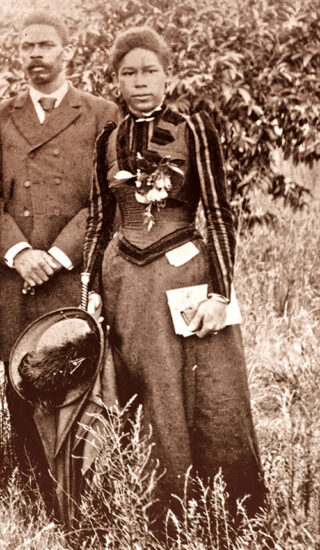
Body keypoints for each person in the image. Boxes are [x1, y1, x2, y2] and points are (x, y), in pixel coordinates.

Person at [83, 27, 266, 527]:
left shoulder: (194, 130)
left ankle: (215, 514)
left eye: (150, 71)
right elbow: (99, 221)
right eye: (129, 73)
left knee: (203, 396)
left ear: (169, 76)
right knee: (136, 393)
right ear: (116, 80)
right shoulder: (107, 140)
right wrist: (91, 290)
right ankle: (147, 512)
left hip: (185, 280)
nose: (140, 82)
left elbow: (220, 214)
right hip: (124, 286)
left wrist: (220, 296)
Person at [0, 11, 118, 508]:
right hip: (16, 275)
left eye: (46, 45)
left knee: (73, 375)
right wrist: (19, 253)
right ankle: (31, 490)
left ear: (67, 52)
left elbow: (106, 199)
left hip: (71, 274)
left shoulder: (102, 114)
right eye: (27, 46)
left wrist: (57, 256)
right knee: (22, 377)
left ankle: (78, 493)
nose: (35, 54)